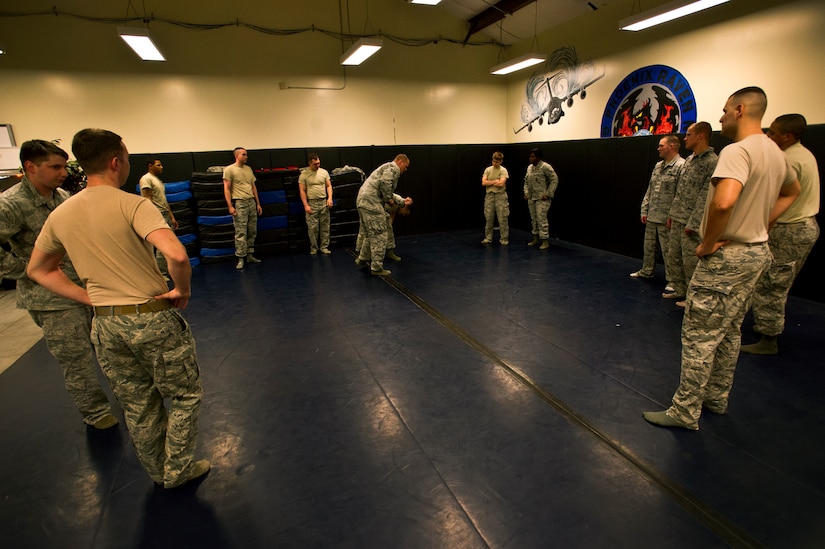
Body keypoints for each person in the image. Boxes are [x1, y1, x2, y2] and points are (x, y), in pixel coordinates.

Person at [27, 128, 209, 488]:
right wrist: (181, 289)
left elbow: (38, 270)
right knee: (186, 394)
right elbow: (175, 254)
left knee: (138, 403)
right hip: (150, 318)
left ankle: (157, 472)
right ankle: (178, 468)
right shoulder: (133, 204)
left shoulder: (61, 213)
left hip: (106, 325)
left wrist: (89, 298)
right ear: (116, 161)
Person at [643, 87, 800, 430]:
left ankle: (685, 411)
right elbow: (793, 191)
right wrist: (764, 222)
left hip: (727, 258)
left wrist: (708, 243)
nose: (721, 117)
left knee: (699, 336)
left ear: (741, 110)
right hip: (757, 253)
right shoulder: (775, 153)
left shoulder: (737, 151)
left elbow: (724, 202)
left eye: (726, 111)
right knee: (729, 331)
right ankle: (716, 397)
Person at [0, 140, 118, 430]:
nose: (63, 172)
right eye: (55, 167)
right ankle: (95, 411)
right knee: (75, 358)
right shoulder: (11, 204)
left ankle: (115, 397)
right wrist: (26, 270)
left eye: (64, 165)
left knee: (104, 346)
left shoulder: (62, 196)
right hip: (50, 298)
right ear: (30, 167)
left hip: (83, 286)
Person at [741, 114, 820, 355]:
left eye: (773, 132)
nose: (768, 136)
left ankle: (768, 339)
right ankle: (766, 329)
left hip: (790, 228)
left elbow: (775, 199)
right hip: (801, 225)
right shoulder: (802, 154)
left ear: (788, 136)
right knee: (774, 281)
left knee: (772, 283)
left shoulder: (788, 160)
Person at [663, 123, 718, 303]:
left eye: (688, 134)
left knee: (690, 262)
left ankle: (693, 297)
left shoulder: (712, 162)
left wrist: (694, 223)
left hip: (691, 222)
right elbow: (679, 190)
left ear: (700, 136)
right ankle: (680, 290)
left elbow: (706, 195)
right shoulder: (689, 160)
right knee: (674, 257)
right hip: (678, 217)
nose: (685, 138)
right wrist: (672, 214)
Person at [630, 135, 684, 288]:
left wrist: (673, 215)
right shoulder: (658, 166)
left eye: (661, 145)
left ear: (671, 146)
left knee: (670, 252)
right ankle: (647, 271)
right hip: (653, 214)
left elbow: (680, 194)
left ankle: (673, 281)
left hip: (667, 218)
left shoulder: (681, 166)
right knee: (649, 247)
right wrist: (644, 209)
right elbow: (651, 189)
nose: (658, 148)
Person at [355, 154, 413, 276]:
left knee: (370, 233)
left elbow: (388, 192)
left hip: (364, 201)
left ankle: (363, 257)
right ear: (400, 162)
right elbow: (385, 185)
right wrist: (388, 199)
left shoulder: (385, 168)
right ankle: (376, 267)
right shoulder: (393, 168)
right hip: (371, 203)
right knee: (379, 234)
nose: (405, 170)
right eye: (405, 167)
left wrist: (402, 201)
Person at [223, 147, 262, 270]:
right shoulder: (229, 170)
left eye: (246, 155)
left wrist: (258, 203)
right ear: (237, 156)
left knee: (252, 230)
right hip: (240, 203)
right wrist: (230, 206)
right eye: (244, 155)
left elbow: (253, 187)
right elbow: (227, 189)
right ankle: (241, 258)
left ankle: (250, 255)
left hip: (251, 202)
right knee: (241, 232)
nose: (246, 157)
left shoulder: (248, 169)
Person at [140, 159, 178, 277]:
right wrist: (154, 217)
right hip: (158, 214)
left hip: (165, 213)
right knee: (163, 245)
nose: (162, 167)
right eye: (158, 165)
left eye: (162, 165)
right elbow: (147, 199)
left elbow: (164, 201)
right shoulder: (146, 179)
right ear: (150, 166)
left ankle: (168, 271)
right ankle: (161, 273)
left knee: (170, 244)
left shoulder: (158, 181)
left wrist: (172, 217)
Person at [523, 148, 558, 250]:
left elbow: (554, 179)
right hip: (531, 198)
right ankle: (536, 238)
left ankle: (545, 241)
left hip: (542, 199)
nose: (530, 158)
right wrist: (526, 192)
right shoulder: (530, 168)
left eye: (532, 156)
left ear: (538, 158)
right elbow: (526, 181)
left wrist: (548, 193)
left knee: (541, 219)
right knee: (534, 219)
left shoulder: (545, 167)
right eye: (530, 156)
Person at [298, 153, 333, 255]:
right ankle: (314, 248)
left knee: (325, 226)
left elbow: (328, 186)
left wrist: (330, 198)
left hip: (323, 202)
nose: (317, 166)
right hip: (312, 203)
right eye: (315, 164)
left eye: (318, 163)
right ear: (309, 163)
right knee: (313, 228)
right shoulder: (304, 175)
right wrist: (306, 205)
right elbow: (302, 191)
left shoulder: (324, 172)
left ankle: (324, 247)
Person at [481, 151, 510, 246]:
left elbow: (501, 184)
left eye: (497, 162)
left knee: (502, 217)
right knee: (489, 217)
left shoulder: (503, 170)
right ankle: (488, 238)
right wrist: (495, 181)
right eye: (493, 161)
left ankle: (504, 239)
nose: (494, 163)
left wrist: (490, 182)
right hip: (489, 195)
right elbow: (483, 183)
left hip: (500, 196)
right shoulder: (488, 170)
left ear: (501, 161)